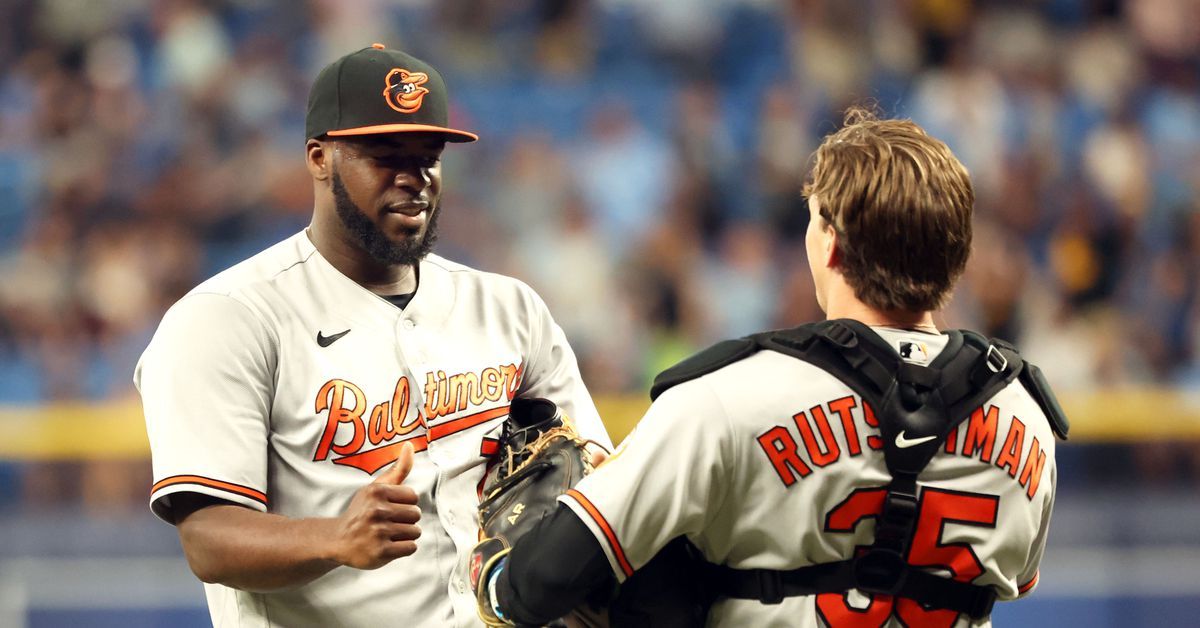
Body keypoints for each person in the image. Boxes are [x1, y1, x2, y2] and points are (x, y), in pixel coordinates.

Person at [475, 108, 1067, 627]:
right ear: (957, 255)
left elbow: (535, 587)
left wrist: (494, 576)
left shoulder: (728, 397)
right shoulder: (1028, 417)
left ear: (829, 243)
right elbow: (1017, 578)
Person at [134, 43, 611, 628]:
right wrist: (334, 537)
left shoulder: (509, 307)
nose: (415, 179)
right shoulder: (226, 318)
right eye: (385, 155)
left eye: (428, 155)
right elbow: (208, 538)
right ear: (319, 158)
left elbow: (593, 476)